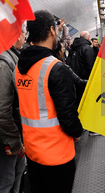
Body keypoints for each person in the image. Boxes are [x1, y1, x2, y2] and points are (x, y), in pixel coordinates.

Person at [15, 10, 83, 193]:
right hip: (57, 156)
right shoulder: (55, 68)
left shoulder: (19, 67)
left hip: (32, 152)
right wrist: (78, 131)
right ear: (53, 31)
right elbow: (67, 115)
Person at [0, 28, 26, 193]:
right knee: (5, 181)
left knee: (17, 172)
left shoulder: (10, 57)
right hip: (5, 136)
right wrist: (14, 142)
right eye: (23, 32)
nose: (25, 36)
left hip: (11, 132)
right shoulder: (3, 65)